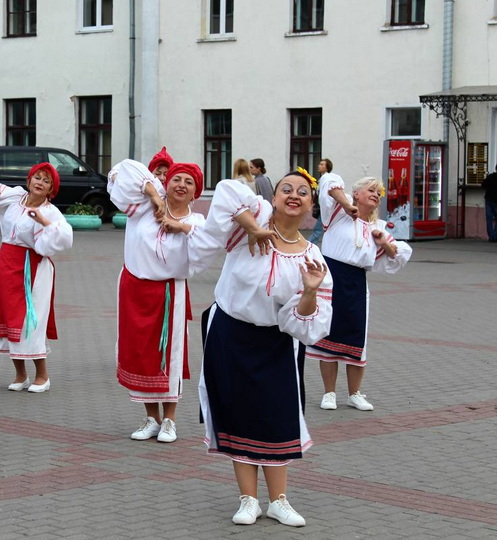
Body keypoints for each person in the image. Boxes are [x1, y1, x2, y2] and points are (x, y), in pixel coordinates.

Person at [190, 169, 333, 527]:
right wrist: (253, 228)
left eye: (303, 191)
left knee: (277, 415)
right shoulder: (248, 224)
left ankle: (279, 501)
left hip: (276, 343)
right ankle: (248, 499)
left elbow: (306, 325)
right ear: (273, 198)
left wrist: (311, 291)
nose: (293, 194)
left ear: (311, 207)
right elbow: (224, 192)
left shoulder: (312, 256)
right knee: (236, 411)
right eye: (286, 189)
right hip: (230, 333)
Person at [108, 159, 206, 444]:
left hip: (168, 292)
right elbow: (121, 171)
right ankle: (151, 418)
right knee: (140, 353)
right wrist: (153, 194)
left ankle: (170, 421)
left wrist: (181, 228)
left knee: (169, 355)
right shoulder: (142, 206)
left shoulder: (196, 222)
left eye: (189, 183)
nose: (181, 185)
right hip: (134, 288)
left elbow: (207, 249)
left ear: (195, 192)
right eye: (177, 179)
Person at [305, 175, 412, 412]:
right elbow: (328, 182)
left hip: (355, 283)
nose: (376, 195)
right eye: (371, 190)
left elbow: (397, 255)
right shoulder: (336, 214)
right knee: (327, 336)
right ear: (356, 193)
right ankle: (329, 393)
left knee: (357, 339)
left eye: (379, 193)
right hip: (331, 279)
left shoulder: (377, 227)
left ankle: (354, 394)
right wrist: (346, 205)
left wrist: (383, 242)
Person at [0, 163, 73, 393]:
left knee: (31, 320)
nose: (40, 183)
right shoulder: (14, 197)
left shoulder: (51, 212)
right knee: (9, 317)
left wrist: (43, 222)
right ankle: (20, 374)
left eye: (46, 181)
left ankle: (42, 375)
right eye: (37, 177)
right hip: (6, 261)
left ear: (51, 190)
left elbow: (65, 239)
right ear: (29, 180)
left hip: (33, 266)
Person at [308, 158, 332, 244]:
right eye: (319, 164)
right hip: (322, 207)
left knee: (317, 230)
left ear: (327, 167)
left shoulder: (326, 178)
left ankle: (308, 246)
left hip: (325, 208)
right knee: (322, 230)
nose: (319, 166)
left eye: (322, 164)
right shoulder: (322, 178)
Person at [483, 164, 497, 242]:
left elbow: (483, 185)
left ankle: (491, 236)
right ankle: (495, 236)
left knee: (489, 219)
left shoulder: (490, 176)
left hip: (489, 199)